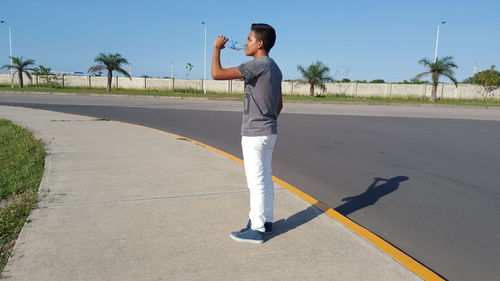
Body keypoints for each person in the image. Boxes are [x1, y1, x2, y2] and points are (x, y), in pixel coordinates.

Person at [212, 23, 283, 243]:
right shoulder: (274, 67)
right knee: (265, 180)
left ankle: (257, 229)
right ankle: (266, 221)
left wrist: (216, 49)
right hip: (268, 131)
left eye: (249, 39)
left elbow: (217, 74)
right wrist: (267, 121)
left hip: (255, 133)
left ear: (259, 43)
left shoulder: (257, 65)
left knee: (256, 182)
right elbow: (279, 105)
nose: (245, 42)